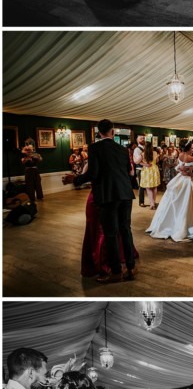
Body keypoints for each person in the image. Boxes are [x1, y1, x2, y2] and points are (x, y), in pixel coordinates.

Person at [65, 118, 138, 283]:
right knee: (125, 229)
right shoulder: (123, 149)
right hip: (125, 194)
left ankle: (117, 272)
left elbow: (94, 173)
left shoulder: (95, 148)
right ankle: (131, 268)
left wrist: (75, 179)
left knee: (111, 234)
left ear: (98, 133)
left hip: (107, 196)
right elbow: (127, 170)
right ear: (112, 132)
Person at [146, 138, 193, 241]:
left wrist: (182, 170)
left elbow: (177, 168)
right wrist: (191, 173)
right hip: (187, 182)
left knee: (177, 202)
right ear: (188, 148)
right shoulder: (191, 159)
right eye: (191, 148)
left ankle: (172, 223)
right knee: (187, 204)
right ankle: (185, 225)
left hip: (179, 180)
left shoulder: (180, 155)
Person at [139, 140, 161, 210]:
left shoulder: (143, 154)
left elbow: (139, 162)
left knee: (148, 187)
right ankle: (153, 203)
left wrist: (145, 164)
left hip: (146, 170)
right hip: (154, 169)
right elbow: (157, 161)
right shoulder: (155, 152)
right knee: (154, 187)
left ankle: (152, 204)